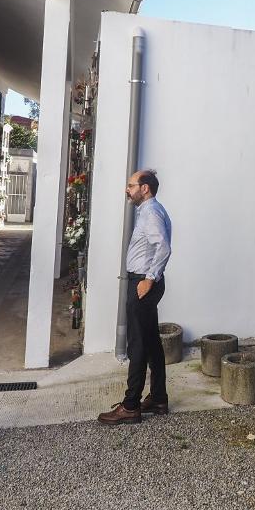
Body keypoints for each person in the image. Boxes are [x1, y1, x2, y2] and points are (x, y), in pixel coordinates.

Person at [98, 169, 172, 425]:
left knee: (138, 343)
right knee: (151, 341)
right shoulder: (152, 210)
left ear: (145, 188)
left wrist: (148, 279)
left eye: (131, 185)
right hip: (145, 281)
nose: (127, 189)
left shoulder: (151, 212)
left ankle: (131, 406)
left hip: (143, 282)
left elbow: (162, 245)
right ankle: (159, 398)